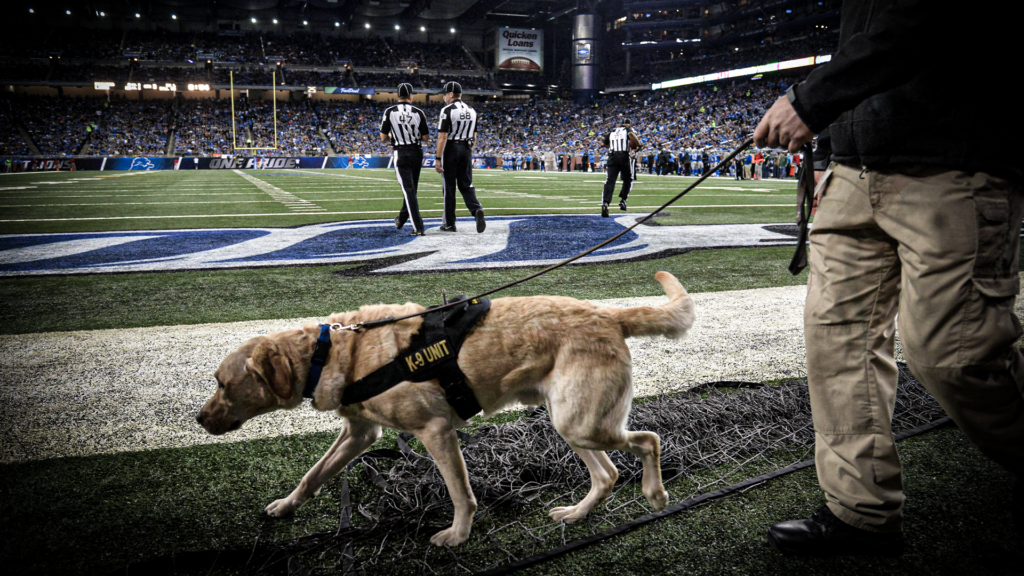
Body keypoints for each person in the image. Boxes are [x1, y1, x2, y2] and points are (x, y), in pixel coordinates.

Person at [753, 0, 1021, 557]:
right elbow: (865, 37)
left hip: (954, 157)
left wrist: (808, 101)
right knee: (838, 345)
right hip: (855, 166)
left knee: (954, 354)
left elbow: (921, 22)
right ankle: (860, 512)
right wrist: (830, 151)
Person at [434, 81, 485, 233]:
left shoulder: (447, 110)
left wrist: (437, 158)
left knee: (449, 188)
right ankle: (476, 210)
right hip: (466, 148)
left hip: (451, 148)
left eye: (444, 94)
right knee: (466, 184)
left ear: (450, 94)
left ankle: (450, 223)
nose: (443, 97)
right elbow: (475, 136)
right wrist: (467, 150)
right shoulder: (472, 110)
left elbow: (443, 136)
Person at [380, 83, 430, 236]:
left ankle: (418, 227)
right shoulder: (418, 112)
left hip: (400, 152)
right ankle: (401, 219)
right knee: (411, 190)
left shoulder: (389, 111)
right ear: (411, 96)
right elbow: (426, 138)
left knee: (408, 191)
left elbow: (383, 138)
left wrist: (394, 136)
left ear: (398, 96)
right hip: (416, 152)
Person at [599, 118, 640, 218]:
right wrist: (639, 145)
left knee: (610, 181)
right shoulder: (627, 130)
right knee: (628, 179)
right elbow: (631, 135)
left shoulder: (613, 131)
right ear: (628, 125)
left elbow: (603, 144)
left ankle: (605, 203)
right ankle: (623, 200)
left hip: (612, 156)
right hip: (623, 156)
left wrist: (612, 147)